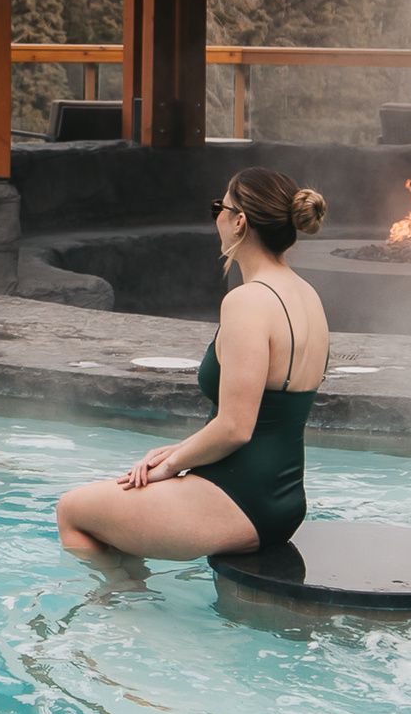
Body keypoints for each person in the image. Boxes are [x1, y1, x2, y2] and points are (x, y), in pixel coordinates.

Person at [54, 168, 331, 562]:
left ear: (239, 222)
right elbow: (268, 417)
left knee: (74, 510)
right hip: (282, 500)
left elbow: (236, 427)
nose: (216, 216)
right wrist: (177, 451)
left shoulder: (248, 302)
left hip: (237, 499)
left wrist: (172, 467)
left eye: (220, 207)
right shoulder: (308, 295)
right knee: (120, 512)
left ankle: (127, 610)